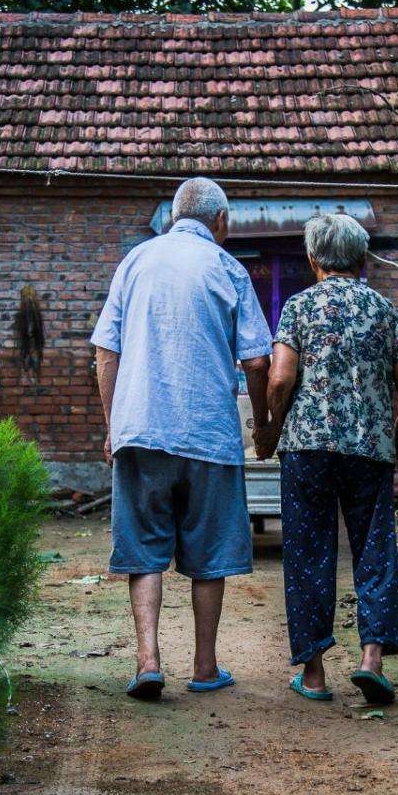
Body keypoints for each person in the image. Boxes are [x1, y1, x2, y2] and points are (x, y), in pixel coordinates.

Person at [91, 177, 274, 700]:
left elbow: (107, 352)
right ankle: (203, 666)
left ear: (174, 216)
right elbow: (258, 360)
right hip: (208, 433)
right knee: (209, 554)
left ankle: (148, 661)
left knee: (143, 550)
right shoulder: (228, 268)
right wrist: (260, 425)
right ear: (222, 222)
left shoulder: (135, 262)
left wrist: (113, 424)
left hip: (140, 429)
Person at [256, 214, 398, 705]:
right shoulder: (383, 309)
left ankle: (313, 675)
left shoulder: (300, 307)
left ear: (313, 260)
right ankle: (371, 660)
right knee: (374, 547)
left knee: (308, 553)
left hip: (308, 450)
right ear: (361, 258)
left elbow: (280, 379)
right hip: (369, 449)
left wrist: (271, 426)